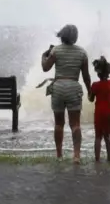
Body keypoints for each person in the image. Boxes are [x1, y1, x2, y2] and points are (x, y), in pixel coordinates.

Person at [41, 24, 92, 164]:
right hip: (73, 88)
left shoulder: (56, 51)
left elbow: (45, 68)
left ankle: (59, 155)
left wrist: (44, 55)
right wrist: (90, 91)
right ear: (75, 37)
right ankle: (76, 156)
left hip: (58, 88)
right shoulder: (82, 53)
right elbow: (86, 76)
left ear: (62, 36)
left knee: (59, 124)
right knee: (75, 124)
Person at [88, 56, 110, 163]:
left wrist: (89, 93)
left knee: (98, 137)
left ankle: (97, 160)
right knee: (107, 136)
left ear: (98, 73)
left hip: (100, 111)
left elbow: (91, 99)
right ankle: (109, 159)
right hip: (109, 111)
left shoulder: (95, 85)